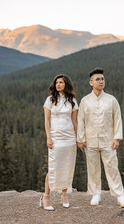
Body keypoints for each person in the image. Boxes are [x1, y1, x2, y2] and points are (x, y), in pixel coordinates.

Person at [77, 68, 124, 208]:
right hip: (90, 140)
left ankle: (120, 195)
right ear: (91, 82)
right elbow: (80, 121)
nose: (101, 81)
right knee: (93, 168)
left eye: (102, 79)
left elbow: (117, 119)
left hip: (108, 140)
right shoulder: (85, 101)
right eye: (98, 79)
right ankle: (96, 194)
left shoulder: (111, 100)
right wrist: (80, 139)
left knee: (112, 167)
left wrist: (117, 138)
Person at [40, 74, 78, 210]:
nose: (58, 85)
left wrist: (78, 138)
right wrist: (48, 137)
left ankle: (64, 195)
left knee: (67, 167)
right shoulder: (50, 100)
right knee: (53, 167)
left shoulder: (72, 100)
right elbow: (46, 121)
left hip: (69, 138)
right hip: (56, 138)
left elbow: (75, 122)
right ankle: (46, 197)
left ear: (66, 84)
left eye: (61, 82)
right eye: (57, 82)